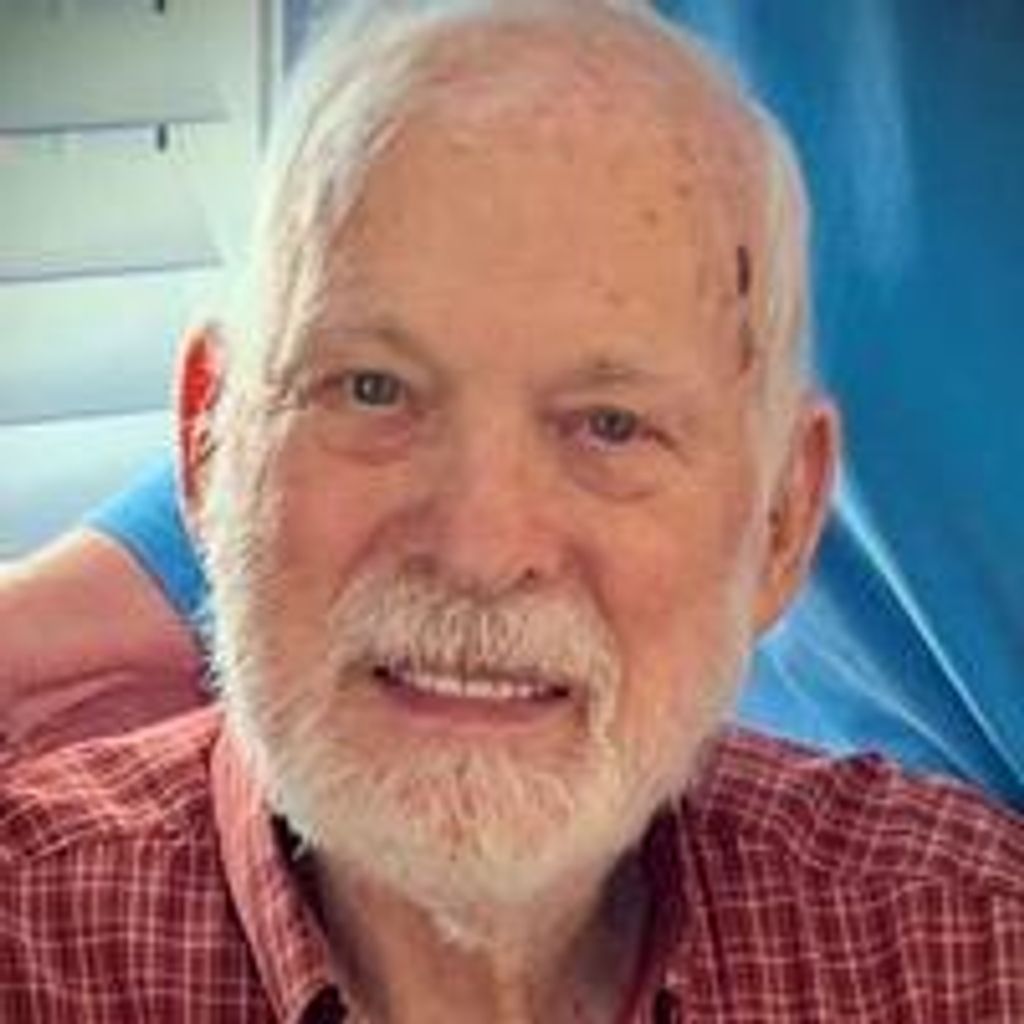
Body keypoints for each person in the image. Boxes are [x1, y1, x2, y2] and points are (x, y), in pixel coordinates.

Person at [3, 3, 1024, 1020]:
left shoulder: (964, 949)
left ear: (781, 523)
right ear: (210, 443)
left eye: (611, 426)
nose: (480, 550)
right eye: (372, 390)